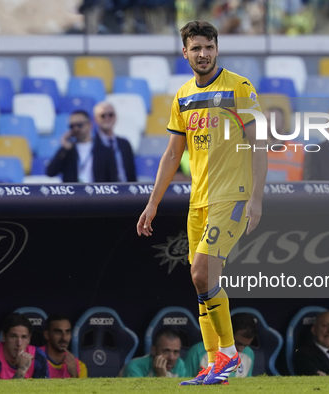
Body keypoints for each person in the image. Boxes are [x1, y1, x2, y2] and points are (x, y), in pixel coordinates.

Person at [137, 20, 267, 386]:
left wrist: (256, 198)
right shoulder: (182, 96)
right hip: (200, 202)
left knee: (202, 273)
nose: (203, 54)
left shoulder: (239, 87)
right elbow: (171, 154)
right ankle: (215, 365)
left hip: (234, 196)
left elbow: (259, 143)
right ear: (185, 53)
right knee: (201, 283)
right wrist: (153, 203)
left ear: (217, 48)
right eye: (196, 48)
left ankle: (227, 353)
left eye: (209, 47)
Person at [46, 109, 131, 183]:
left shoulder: (105, 151)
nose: (76, 129)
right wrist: (64, 149)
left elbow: (113, 179)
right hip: (73, 198)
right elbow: (50, 172)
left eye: (79, 125)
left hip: (98, 198)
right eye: (72, 126)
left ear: (89, 125)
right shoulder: (68, 151)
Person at [0, 313, 48, 379]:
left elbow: (44, 390)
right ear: (4, 337)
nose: (19, 343)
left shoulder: (37, 356)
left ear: (29, 339)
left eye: (24, 337)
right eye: (13, 336)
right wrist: (22, 369)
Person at [185, 312, 257, 378]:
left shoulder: (248, 353)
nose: (240, 349)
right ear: (226, 333)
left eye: (245, 345)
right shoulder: (197, 352)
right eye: (237, 343)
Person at [93, 101, 137, 182]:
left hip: (126, 190)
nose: (107, 118)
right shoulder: (92, 144)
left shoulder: (125, 144)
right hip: (102, 191)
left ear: (115, 117)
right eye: (103, 116)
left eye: (111, 115)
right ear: (96, 119)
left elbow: (131, 172)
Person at [121, 328, 187, 377]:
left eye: (176, 352)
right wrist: (161, 378)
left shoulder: (179, 365)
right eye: (166, 351)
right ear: (153, 350)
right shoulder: (135, 367)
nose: (171, 358)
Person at [39, 314, 87, 378]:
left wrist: (74, 375)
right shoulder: (33, 359)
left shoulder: (79, 366)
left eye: (67, 332)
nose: (64, 338)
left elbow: (81, 388)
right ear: (46, 334)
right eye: (58, 332)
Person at [265, 107, 305, 181]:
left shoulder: (298, 150)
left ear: (283, 123)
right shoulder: (254, 150)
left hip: (293, 191)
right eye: (267, 120)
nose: (270, 124)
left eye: (274, 120)